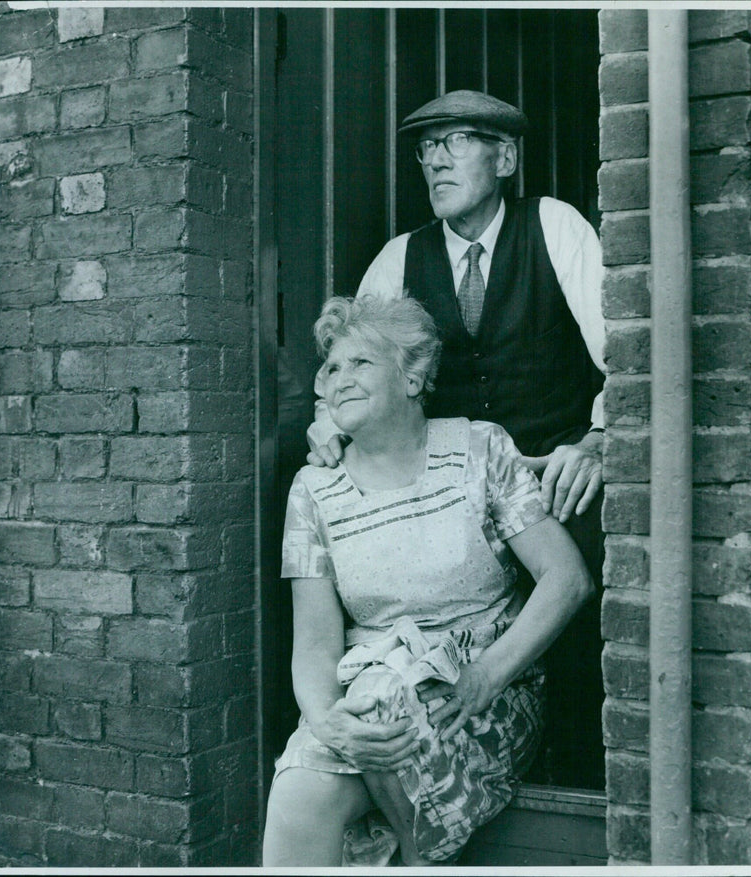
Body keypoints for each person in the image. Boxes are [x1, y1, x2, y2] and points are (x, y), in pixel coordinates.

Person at [308, 90, 607, 788]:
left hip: (553, 467)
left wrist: (595, 441)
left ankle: (575, 772)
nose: (435, 159)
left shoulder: (553, 227)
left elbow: (627, 355)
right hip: (453, 486)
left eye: (456, 141)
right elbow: (353, 368)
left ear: (504, 158)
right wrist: (328, 423)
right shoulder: (398, 259)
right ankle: (435, 758)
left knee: (585, 560)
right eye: (426, 147)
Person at [263, 296, 593, 866]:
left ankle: (421, 855)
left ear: (413, 375)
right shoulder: (312, 491)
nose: (340, 380)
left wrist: (484, 678)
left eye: (360, 363)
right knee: (297, 794)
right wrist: (328, 723)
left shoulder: (480, 449)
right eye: (332, 369)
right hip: (368, 704)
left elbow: (566, 579)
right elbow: (315, 647)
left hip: (480, 696)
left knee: (382, 699)